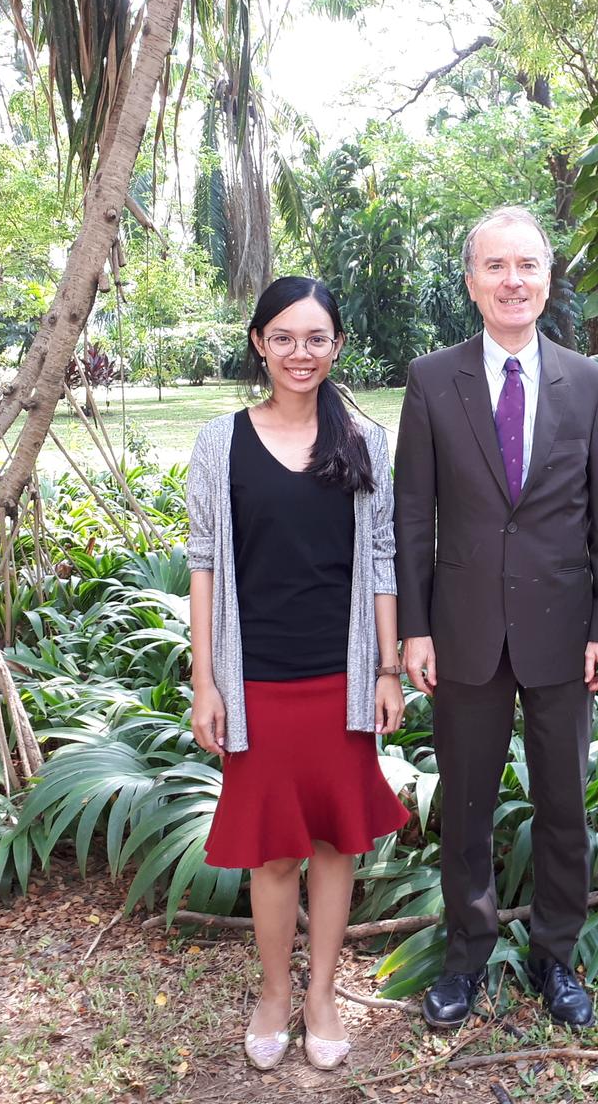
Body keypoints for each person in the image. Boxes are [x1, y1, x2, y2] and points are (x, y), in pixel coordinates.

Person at [395, 205, 598, 1029]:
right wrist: (414, 629)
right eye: (495, 267)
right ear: (471, 282)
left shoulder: (589, 383)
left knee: (564, 803)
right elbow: (412, 516)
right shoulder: (430, 381)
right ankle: (465, 958)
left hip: (566, 635)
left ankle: (556, 957)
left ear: (547, 275)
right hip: (460, 632)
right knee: (464, 804)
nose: (513, 281)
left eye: (527, 265)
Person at [186, 276, 409, 1072]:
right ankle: (275, 992)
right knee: (275, 850)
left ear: (337, 345)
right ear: (259, 344)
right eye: (284, 337)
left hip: (338, 675)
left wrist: (386, 669)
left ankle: (323, 997)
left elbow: (380, 557)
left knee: (331, 842)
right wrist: (206, 681)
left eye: (316, 338)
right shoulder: (221, 443)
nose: (300, 353)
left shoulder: (362, 441)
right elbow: (205, 566)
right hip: (257, 681)